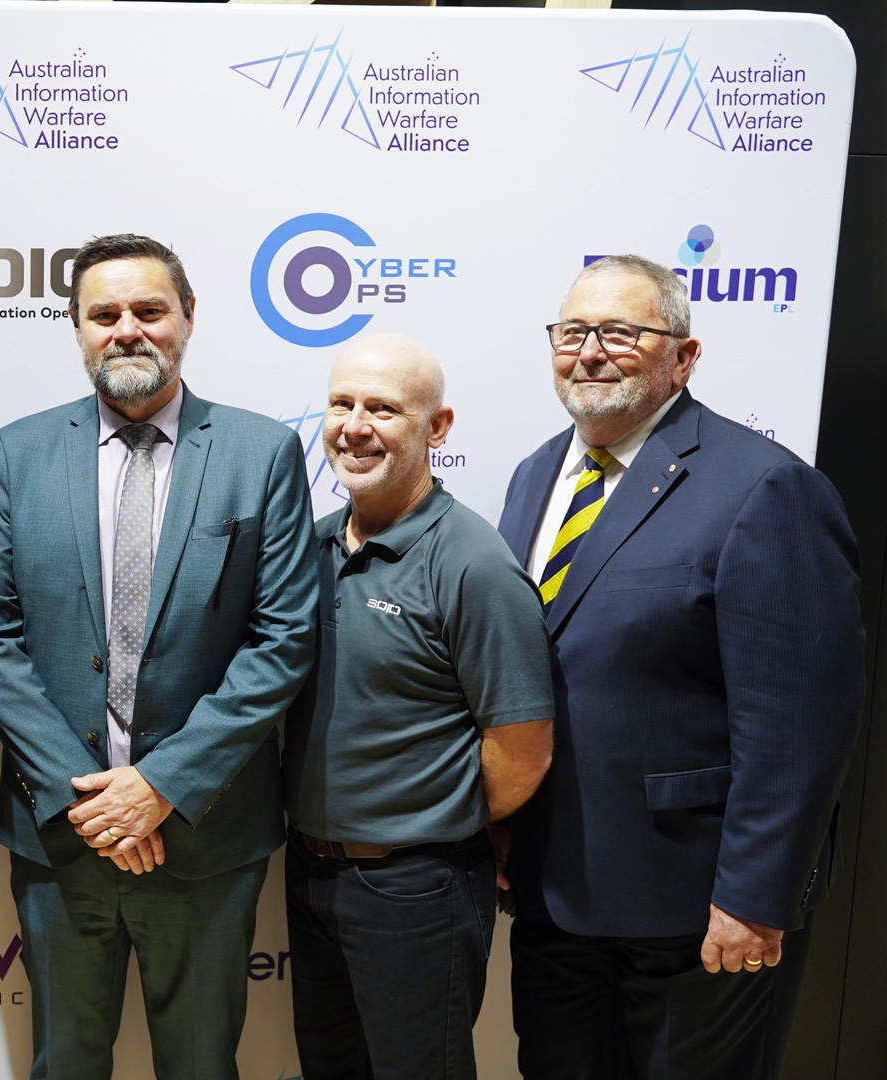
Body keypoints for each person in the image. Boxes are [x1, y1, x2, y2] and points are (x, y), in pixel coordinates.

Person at [496, 255, 865, 1080]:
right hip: (554, 894)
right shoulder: (532, 478)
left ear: (683, 357)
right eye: (572, 332)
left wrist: (754, 898)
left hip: (695, 910)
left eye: (621, 333)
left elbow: (800, 726)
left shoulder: (765, 489)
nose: (590, 351)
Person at [0, 233, 315, 1080]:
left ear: (188, 319)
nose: (128, 329)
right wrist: (88, 801)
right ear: (79, 330)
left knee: (201, 1066)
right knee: (65, 1065)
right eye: (104, 314)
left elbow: (283, 639)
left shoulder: (260, 452)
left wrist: (161, 787)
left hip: (205, 835)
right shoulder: (18, 453)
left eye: (149, 311)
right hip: (63, 836)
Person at [282, 334, 554, 1080]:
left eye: (384, 409)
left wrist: (438, 822)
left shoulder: (472, 562)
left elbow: (523, 749)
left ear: (437, 428)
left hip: (415, 891)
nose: (355, 425)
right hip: (310, 875)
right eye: (342, 404)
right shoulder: (309, 547)